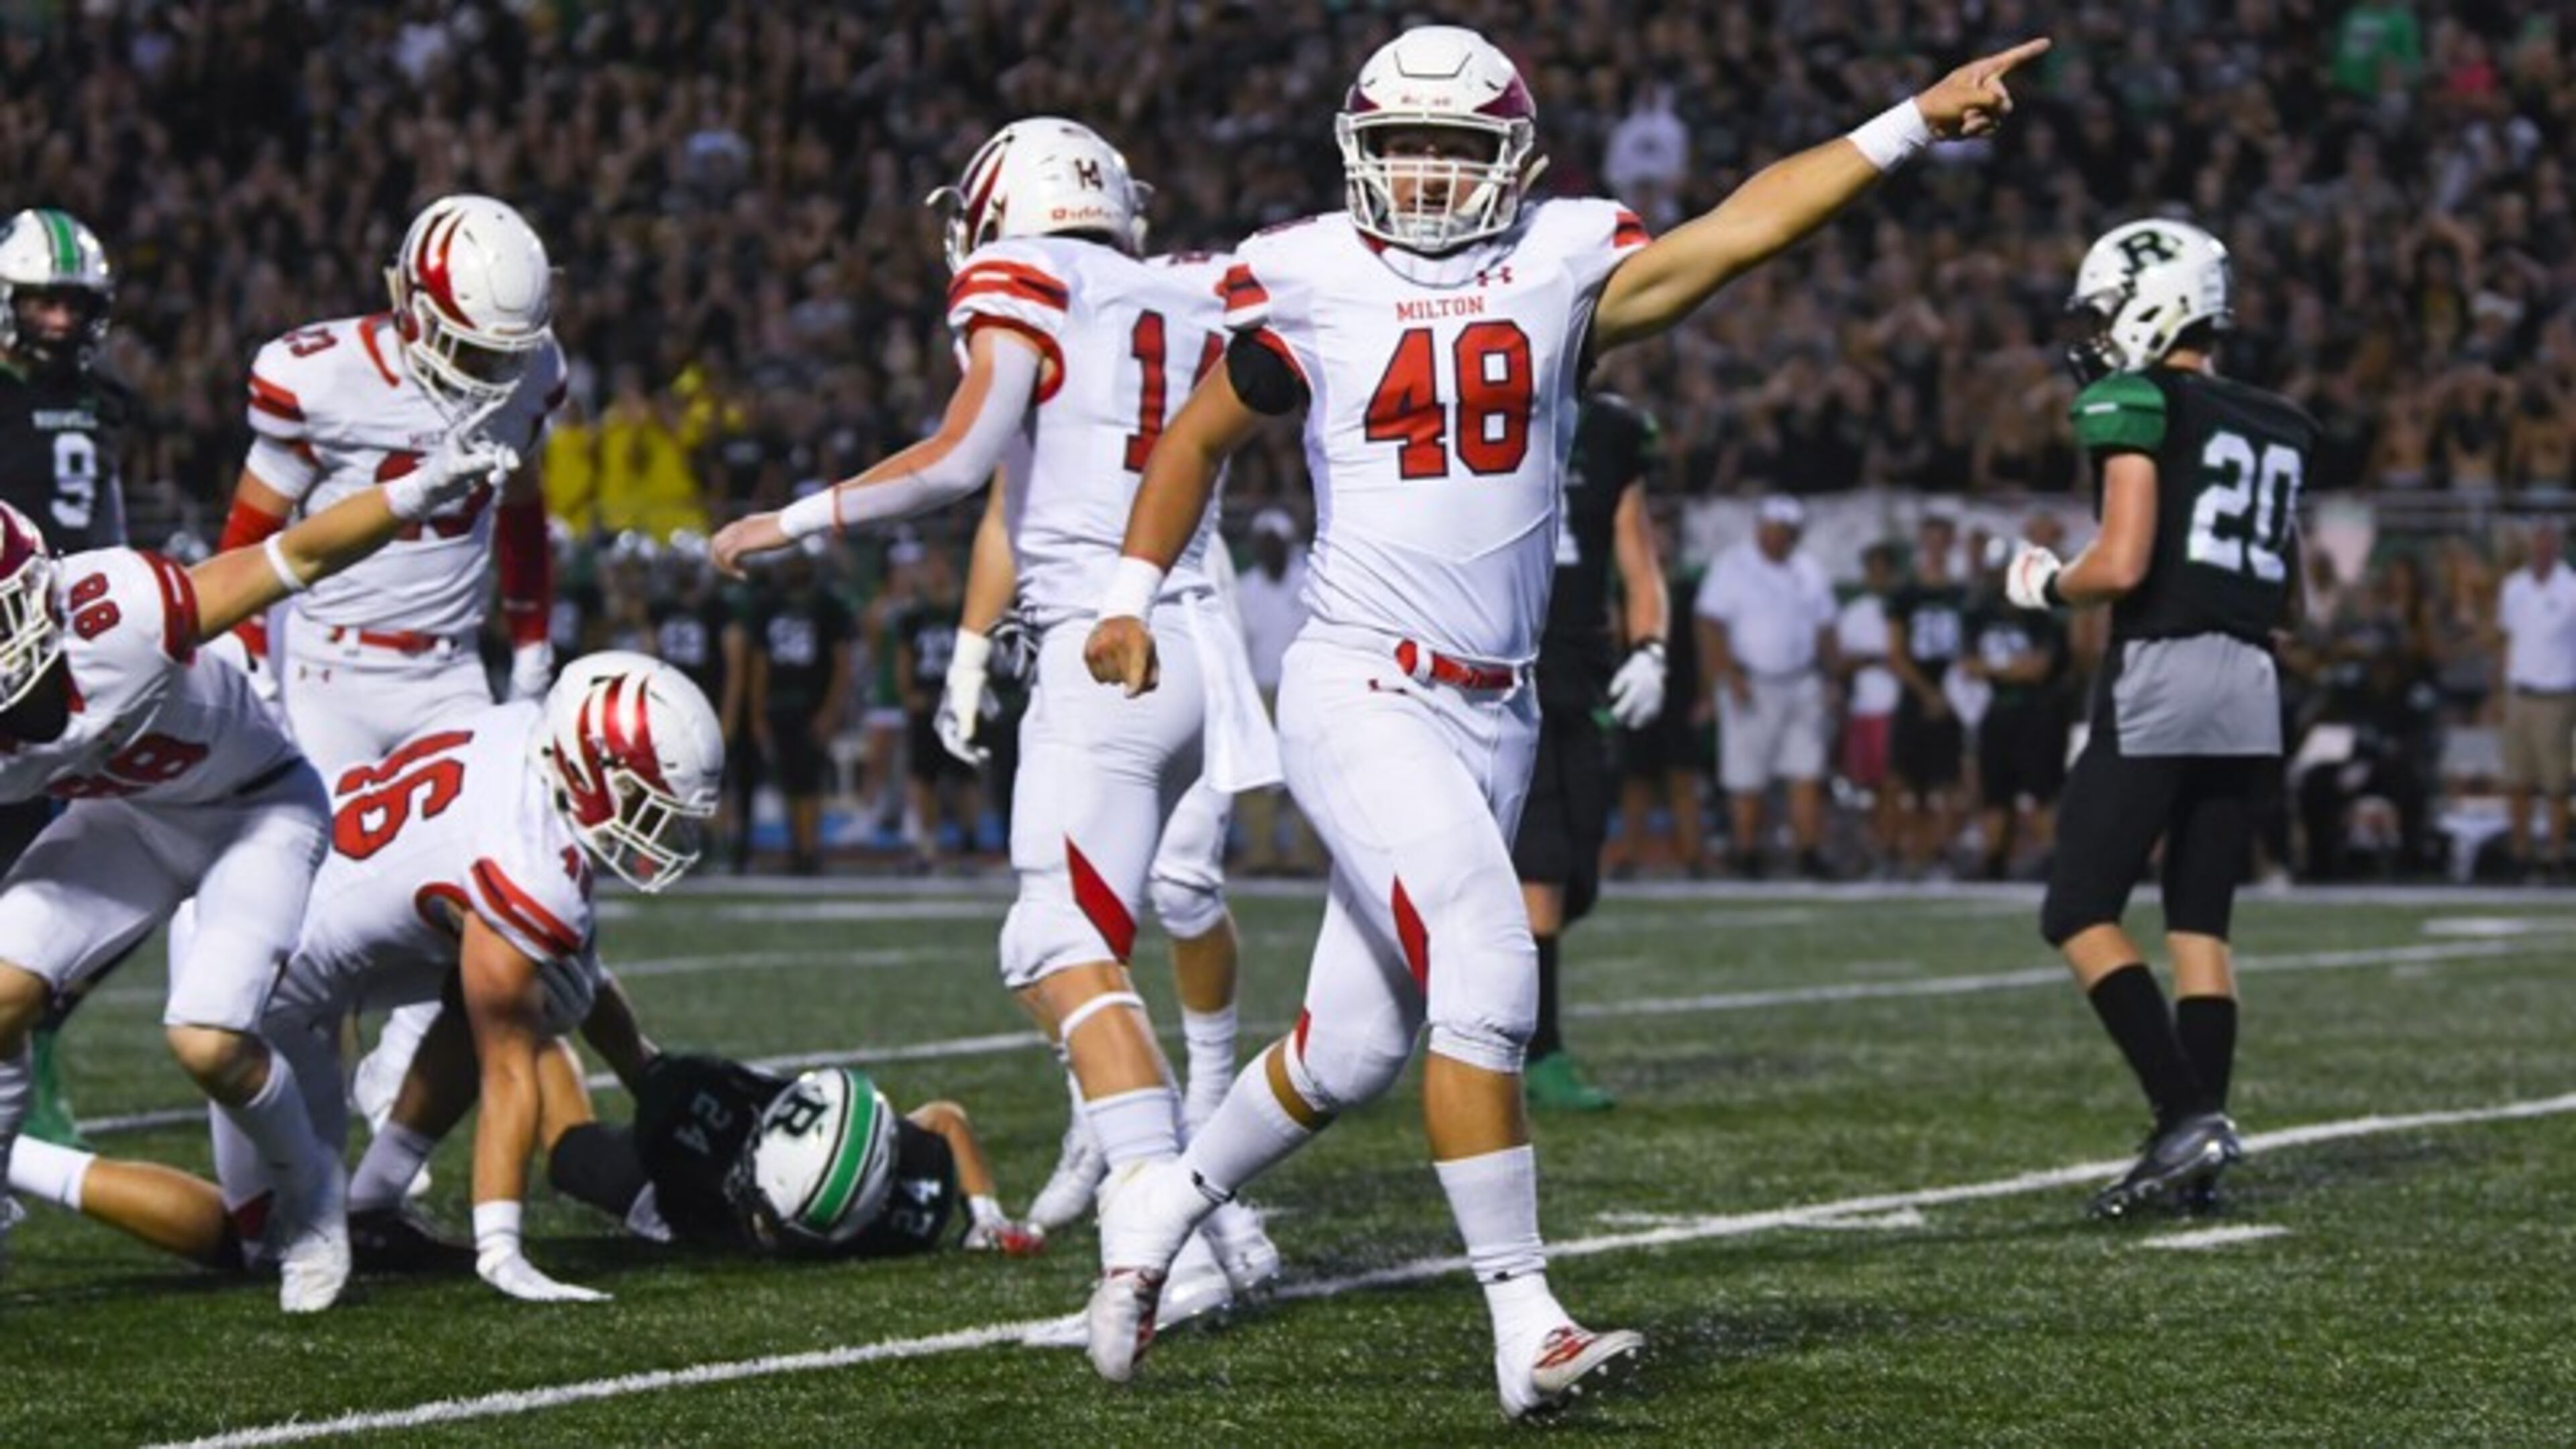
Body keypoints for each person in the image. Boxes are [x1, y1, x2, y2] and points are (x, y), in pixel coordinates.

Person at [1083, 23, 2047, 1414]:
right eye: (1400, 144)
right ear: (1360, 151)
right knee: (1489, 961)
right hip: (1360, 679)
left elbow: (1739, 232)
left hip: (1504, 702)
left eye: (1452, 148)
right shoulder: (1306, 277)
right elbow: (1194, 436)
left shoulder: (1564, 257)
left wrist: (1907, 121)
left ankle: (1162, 1205)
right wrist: (1126, 589)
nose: (1420, 175)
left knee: (1354, 1043)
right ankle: (1524, 1319)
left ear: (1511, 161)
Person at [710, 117, 1283, 1322]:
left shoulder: (1026, 277)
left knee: (1053, 943)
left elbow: (961, 459)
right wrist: (976, 644)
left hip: (1101, 650)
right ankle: (1199, 1212)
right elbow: (1025, 488)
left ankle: (1170, 1228)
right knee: (1094, 946)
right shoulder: (1189, 287)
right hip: (1184, 639)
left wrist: (797, 519)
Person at [0, 405, 519, 1311]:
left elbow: (296, 560)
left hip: (259, 809)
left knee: (205, 1040)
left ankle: (319, 1207)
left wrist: (410, 491)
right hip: (131, 818)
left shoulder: (119, 612)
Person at [217, 194, 568, 1177]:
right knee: (315, 924)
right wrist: (251, 653)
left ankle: (391, 1149)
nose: (487, 370)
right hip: (326, 668)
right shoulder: (316, 375)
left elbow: (524, 518)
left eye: (504, 350)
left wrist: (532, 648)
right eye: (467, 343)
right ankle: (304, 1168)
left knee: (484, 903)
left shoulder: (530, 370)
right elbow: (248, 541)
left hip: (449, 669)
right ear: (406, 301)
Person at [217, 652, 721, 1301]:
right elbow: (509, 1062)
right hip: (263, 967)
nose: (661, 827)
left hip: (293, 885)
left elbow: (582, 972)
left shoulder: (524, 735)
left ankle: (374, 1203)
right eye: (645, 800)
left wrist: (653, 1079)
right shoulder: (529, 857)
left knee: (511, 982)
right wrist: (502, 1249)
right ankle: (38, 1165)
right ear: (595, 770)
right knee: (267, 1243)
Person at [2005, 217, 2318, 1220]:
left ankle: (2186, 1115)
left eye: (2105, 310)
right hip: (2251, 680)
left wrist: (2050, 584)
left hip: (2167, 669)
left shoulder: (2133, 401)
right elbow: (2293, 602)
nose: (2097, 333)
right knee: (2200, 928)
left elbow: (2124, 561)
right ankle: (2199, 1147)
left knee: (2078, 910)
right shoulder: (2273, 419)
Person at [0, 208, 131, 1149]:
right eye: (41, 302)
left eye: (72, 304)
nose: (57, 321)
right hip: (8, 641)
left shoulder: (107, 402)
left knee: (102, 871)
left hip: (89, 646)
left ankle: (32, 1043)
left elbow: (114, 524)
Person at [1511, 393, 1667, 1112]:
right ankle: (1539, 1051)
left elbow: (1638, 556)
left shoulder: (1612, 428)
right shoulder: (1496, 400)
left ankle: (1484, 989)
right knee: (1538, 872)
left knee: (1576, 882)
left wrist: (1652, 649)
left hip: (1585, 669)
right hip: (1507, 665)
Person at [1696, 496, 1839, 879]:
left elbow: (1826, 627)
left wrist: (1831, 677)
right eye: (1771, 529)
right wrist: (1727, 676)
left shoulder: (1808, 570)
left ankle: (1808, 852)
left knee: (1806, 769)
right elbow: (1711, 626)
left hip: (1803, 680)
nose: (1775, 538)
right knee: (1747, 775)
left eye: (1783, 532)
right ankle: (1747, 853)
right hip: (1752, 681)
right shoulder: (1733, 566)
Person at [1964, 532, 2070, 879]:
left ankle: (2053, 857)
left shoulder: (2041, 614)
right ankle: (1994, 859)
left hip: (2036, 712)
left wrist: (1996, 670)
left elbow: (2038, 669)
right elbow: (1968, 666)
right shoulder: (1979, 612)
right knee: (1995, 790)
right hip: (1997, 711)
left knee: (2041, 789)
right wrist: (2012, 670)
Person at [747, 539, 854, 875]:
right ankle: (799, 848)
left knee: (809, 781)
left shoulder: (829, 606)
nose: (794, 568)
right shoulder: (767, 605)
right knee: (790, 781)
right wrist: (757, 711)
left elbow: (842, 664)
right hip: (780, 702)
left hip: (812, 703)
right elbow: (760, 663)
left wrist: (831, 709)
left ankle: (809, 851)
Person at [1232, 508, 1317, 873]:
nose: (1270, 550)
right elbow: (1238, 641)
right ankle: (1260, 853)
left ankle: (1307, 856)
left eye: (1275, 543)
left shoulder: (1308, 582)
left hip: (1302, 690)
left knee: (1310, 774)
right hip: (1259, 689)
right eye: (1263, 543)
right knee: (1255, 776)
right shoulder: (1245, 586)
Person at [1886, 513, 1970, 878]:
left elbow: (1972, 648)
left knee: (1949, 780)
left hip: (1956, 692)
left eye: (1942, 538)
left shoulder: (1964, 594)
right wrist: (1926, 692)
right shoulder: (1906, 593)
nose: (1935, 547)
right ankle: (1913, 852)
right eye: (1929, 539)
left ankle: (1942, 851)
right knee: (1911, 781)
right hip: (1917, 692)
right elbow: (1896, 651)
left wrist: (1955, 691)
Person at [2495, 519, 2576, 881]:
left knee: (2555, 782)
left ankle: (2555, 854)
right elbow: (2507, 639)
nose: (2542, 549)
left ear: (2557, 547)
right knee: (2517, 779)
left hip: (2556, 694)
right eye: (2537, 542)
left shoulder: (2571, 589)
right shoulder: (2514, 588)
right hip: (2520, 692)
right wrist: (2501, 689)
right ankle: (2520, 852)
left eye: (2548, 543)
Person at [895, 544, 983, 868]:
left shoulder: (967, 610)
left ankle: (969, 844)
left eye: (940, 566)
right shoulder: (913, 616)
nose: (935, 574)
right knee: (924, 776)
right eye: (929, 567)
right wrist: (909, 695)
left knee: (965, 776)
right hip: (926, 701)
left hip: (960, 701)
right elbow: (904, 661)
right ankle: (928, 845)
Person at [1835, 542, 1904, 874]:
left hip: (1898, 704)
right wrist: (1875, 659)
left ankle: (1893, 849)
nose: (1878, 576)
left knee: (1895, 783)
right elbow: (1842, 662)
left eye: (1884, 568)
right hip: (1867, 705)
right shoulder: (1857, 611)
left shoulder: (1905, 606)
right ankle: (1874, 848)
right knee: (1869, 786)